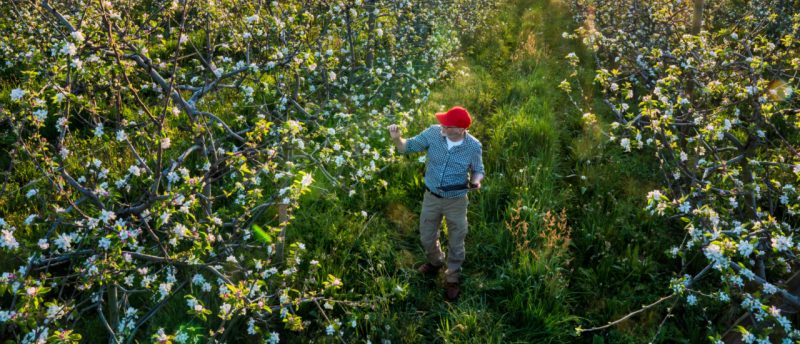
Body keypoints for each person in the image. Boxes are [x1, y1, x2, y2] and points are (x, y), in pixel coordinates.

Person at [387, 106, 485, 301]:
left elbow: (478, 169)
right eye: (443, 122)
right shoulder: (433, 133)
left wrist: (476, 181)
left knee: (457, 239)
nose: (442, 126)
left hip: (456, 200)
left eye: (447, 125)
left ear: (460, 129)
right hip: (431, 197)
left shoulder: (473, 146)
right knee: (426, 236)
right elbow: (407, 147)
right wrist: (397, 139)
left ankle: (452, 277)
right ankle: (436, 261)